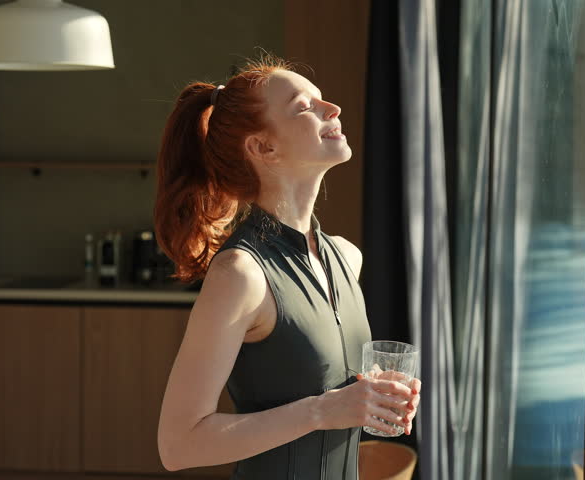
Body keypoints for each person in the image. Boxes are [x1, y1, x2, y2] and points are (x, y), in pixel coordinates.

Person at [155, 53, 422, 479]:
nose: (331, 109)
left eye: (322, 100)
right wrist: (324, 411)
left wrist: (369, 399)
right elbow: (178, 444)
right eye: (304, 106)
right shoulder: (241, 274)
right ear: (264, 148)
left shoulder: (346, 258)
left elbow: (331, 400)